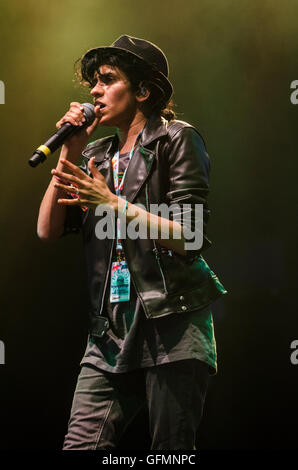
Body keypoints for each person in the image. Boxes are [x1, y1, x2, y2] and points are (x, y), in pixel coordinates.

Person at [37, 34, 227, 450]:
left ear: (143, 90)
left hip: (171, 326)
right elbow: (48, 230)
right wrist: (69, 148)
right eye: (93, 83)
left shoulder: (176, 138)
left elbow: (190, 235)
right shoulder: (97, 153)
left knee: (170, 453)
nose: (94, 90)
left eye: (107, 79)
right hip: (108, 333)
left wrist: (111, 203)